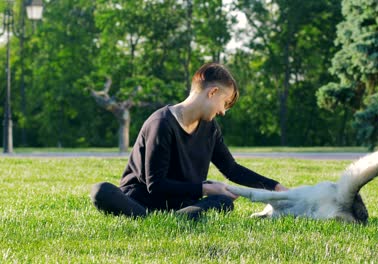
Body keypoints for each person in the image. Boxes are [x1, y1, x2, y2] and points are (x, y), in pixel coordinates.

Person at [90, 62, 287, 220]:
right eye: (225, 103)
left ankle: (175, 218)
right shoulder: (161, 123)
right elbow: (156, 186)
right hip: (142, 202)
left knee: (224, 202)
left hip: (179, 204)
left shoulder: (210, 128)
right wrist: (205, 188)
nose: (223, 112)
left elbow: (231, 169)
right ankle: (159, 218)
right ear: (212, 93)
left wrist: (276, 188)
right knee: (102, 191)